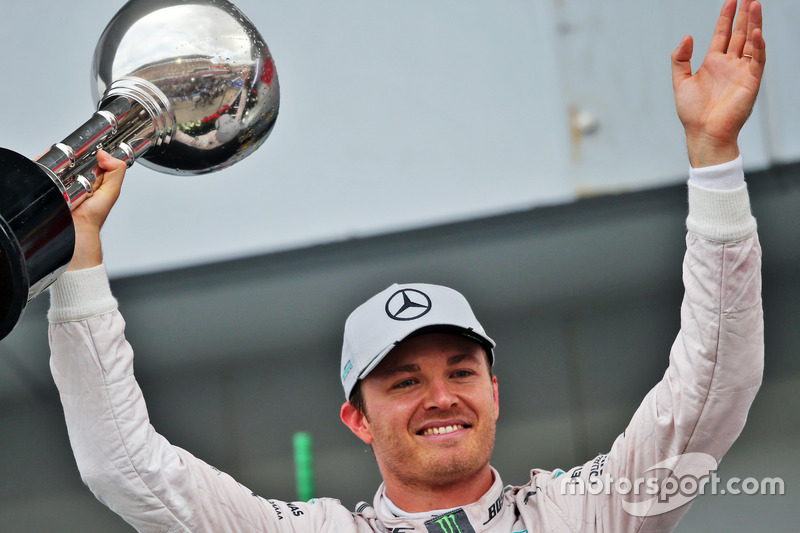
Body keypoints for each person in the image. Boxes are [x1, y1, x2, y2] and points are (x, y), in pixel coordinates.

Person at [48, 1, 765, 531]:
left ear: (494, 389)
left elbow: (714, 382)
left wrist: (713, 158)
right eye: (403, 380)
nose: (442, 395)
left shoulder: (584, 512)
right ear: (356, 419)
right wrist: (80, 251)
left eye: (459, 369)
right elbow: (127, 467)